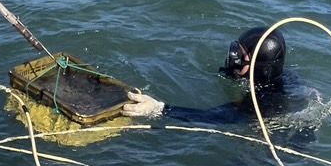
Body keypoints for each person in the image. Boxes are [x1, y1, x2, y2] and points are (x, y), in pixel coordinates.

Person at [121, 26, 293, 124]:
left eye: (238, 59)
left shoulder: (263, 104)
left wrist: (159, 109)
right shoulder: (277, 77)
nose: (231, 61)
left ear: (257, 69)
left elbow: (213, 117)